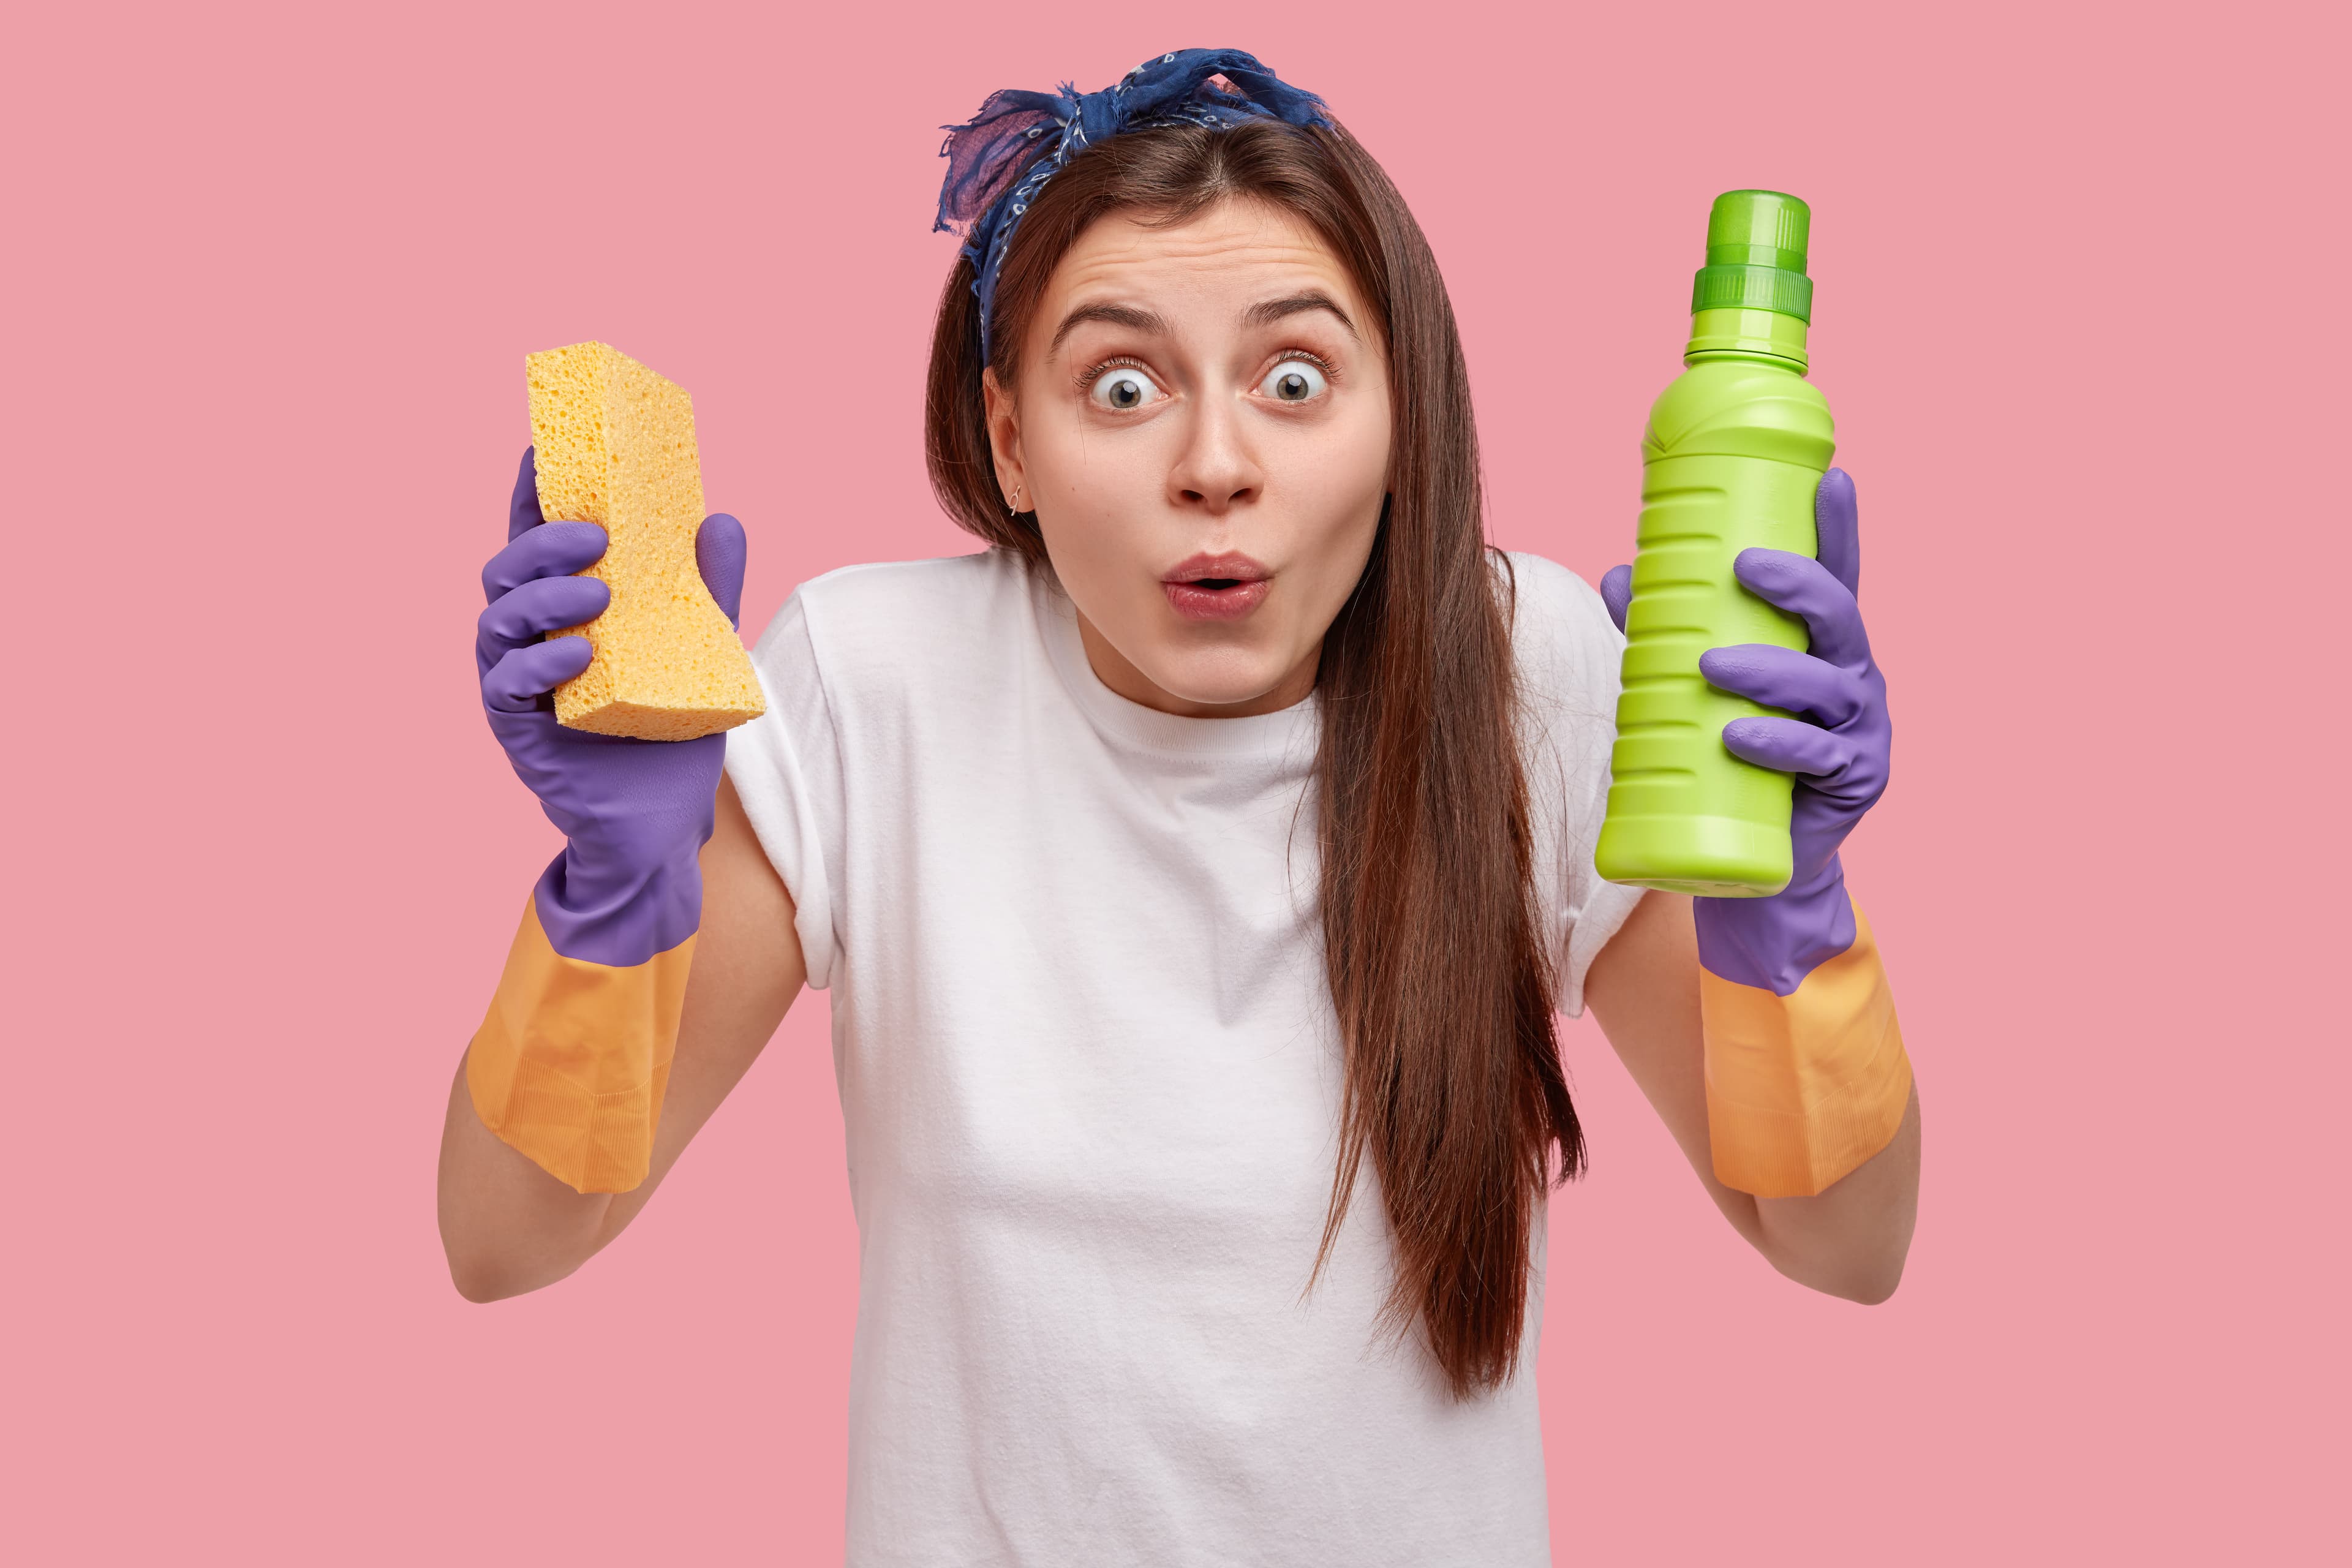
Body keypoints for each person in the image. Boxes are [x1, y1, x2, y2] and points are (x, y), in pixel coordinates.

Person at [437, 48, 1920, 1566]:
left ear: (1401, 418)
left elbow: (1844, 1244)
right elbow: (506, 1241)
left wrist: (1790, 913)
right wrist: (614, 893)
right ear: (1011, 441)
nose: (1216, 466)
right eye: (1124, 387)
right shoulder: (873, 684)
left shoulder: (1531, 672)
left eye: (1296, 380)